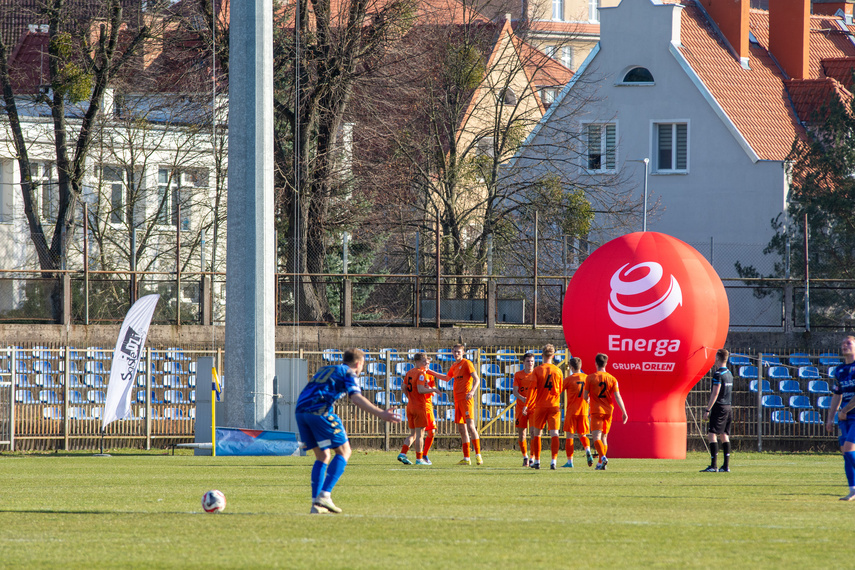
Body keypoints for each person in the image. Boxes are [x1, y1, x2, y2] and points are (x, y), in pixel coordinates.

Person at [295, 348, 401, 514]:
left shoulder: (326, 369)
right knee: (344, 451)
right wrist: (381, 413)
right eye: (362, 365)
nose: (361, 369)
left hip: (301, 412)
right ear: (358, 363)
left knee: (322, 456)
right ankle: (325, 494)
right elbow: (356, 397)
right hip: (319, 412)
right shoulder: (349, 372)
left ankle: (316, 504)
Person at [398, 352, 446, 466]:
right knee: (420, 434)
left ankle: (403, 454)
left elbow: (403, 387)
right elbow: (420, 389)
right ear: (418, 362)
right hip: (420, 407)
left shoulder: (409, 372)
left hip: (410, 406)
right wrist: (434, 390)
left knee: (413, 434)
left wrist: (410, 397)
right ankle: (419, 459)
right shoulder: (421, 374)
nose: (426, 364)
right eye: (424, 362)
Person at [584, 353, 628, 470]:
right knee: (604, 437)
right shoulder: (612, 379)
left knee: (596, 437)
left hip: (596, 410)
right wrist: (624, 411)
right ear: (606, 363)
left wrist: (588, 400)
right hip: (608, 411)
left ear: (595, 363)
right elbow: (617, 396)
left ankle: (603, 457)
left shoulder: (590, 377)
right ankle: (600, 464)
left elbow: (585, 396)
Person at [826, 335, 855, 501]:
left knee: (850, 450)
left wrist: (845, 409)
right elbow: (837, 394)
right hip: (845, 417)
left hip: (852, 414)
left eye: (848, 343)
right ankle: (852, 490)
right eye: (843, 343)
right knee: (845, 452)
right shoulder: (839, 370)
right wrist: (830, 418)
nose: (844, 346)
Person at [527, 344, 564, 470]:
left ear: (542, 355)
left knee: (537, 434)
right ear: (553, 356)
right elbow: (559, 389)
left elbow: (532, 389)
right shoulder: (558, 370)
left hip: (540, 405)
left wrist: (527, 404)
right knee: (555, 433)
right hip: (554, 405)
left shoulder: (537, 370)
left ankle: (537, 460)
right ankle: (553, 461)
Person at [449, 343, 483, 465]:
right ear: (452, 352)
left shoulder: (467, 363)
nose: (456, 353)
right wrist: (430, 371)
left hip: (466, 399)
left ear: (463, 352)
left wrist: (472, 391)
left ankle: (478, 455)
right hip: (457, 400)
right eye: (455, 351)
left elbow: (477, 379)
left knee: (470, 426)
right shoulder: (454, 366)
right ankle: (467, 458)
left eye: (459, 351)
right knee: (462, 429)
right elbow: (446, 378)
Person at [701, 349, 733, 473]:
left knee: (711, 433)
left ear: (718, 358)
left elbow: (715, 393)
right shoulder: (729, 373)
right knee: (724, 434)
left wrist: (707, 409)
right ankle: (725, 466)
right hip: (728, 406)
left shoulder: (718, 374)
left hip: (719, 407)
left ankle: (714, 465)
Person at [562, 357, 594, 468]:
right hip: (584, 410)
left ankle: (570, 462)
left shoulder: (569, 379)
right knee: (583, 435)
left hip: (572, 411)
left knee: (569, 436)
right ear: (581, 366)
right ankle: (587, 450)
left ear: (571, 367)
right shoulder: (587, 378)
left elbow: (558, 391)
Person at [512, 352, 537, 467]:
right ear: (524, 362)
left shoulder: (537, 375)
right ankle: (525, 456)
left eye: (532, 361)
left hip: (533, 408)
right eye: (528, 361)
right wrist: (523, 399)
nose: (530, 363)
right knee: (522, 434)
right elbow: (515, 392)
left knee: (533, 433)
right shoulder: (518, 375)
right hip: (521, 408)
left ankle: (532, 457)